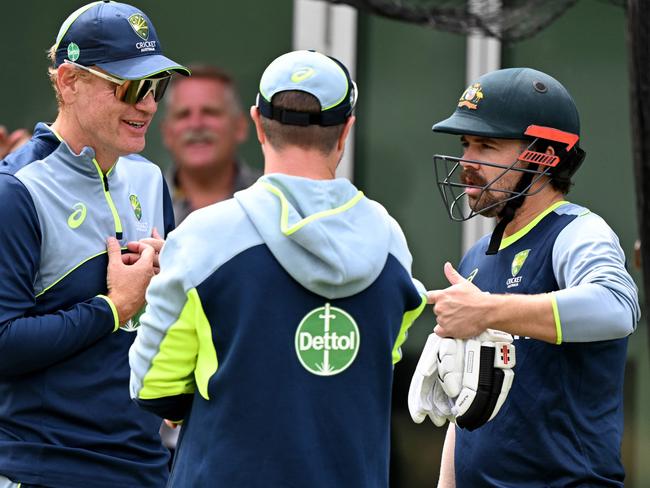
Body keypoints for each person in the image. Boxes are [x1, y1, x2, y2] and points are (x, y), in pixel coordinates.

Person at [129, 49, 426, 487]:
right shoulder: (390, 243)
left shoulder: (204, 237)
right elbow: (382, 359)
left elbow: (152, 385)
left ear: (255, 123)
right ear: (346, 129)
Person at [0, 2, 189, 487]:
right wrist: (116, 306)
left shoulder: (149, 179)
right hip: (47, 470)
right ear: (68, 81)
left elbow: (157, 326)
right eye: (127, 87)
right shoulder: (15, 190)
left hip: (145, 468)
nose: (146, 104)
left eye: (155, 87)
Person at [427, 67, 640, 486]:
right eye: (466, 144)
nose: (467, 162)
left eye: (486, 145)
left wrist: (487, 311)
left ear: (544, 155)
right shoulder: (476, 255)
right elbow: (466, 404)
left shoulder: (577, 231)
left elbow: (618, 308)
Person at [162, 64, 260, 225]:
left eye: (210, 112)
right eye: (183, 115)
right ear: (167, 133)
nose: (196, 124)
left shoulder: (271, 201)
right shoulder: (143, 204)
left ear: (240, 126)